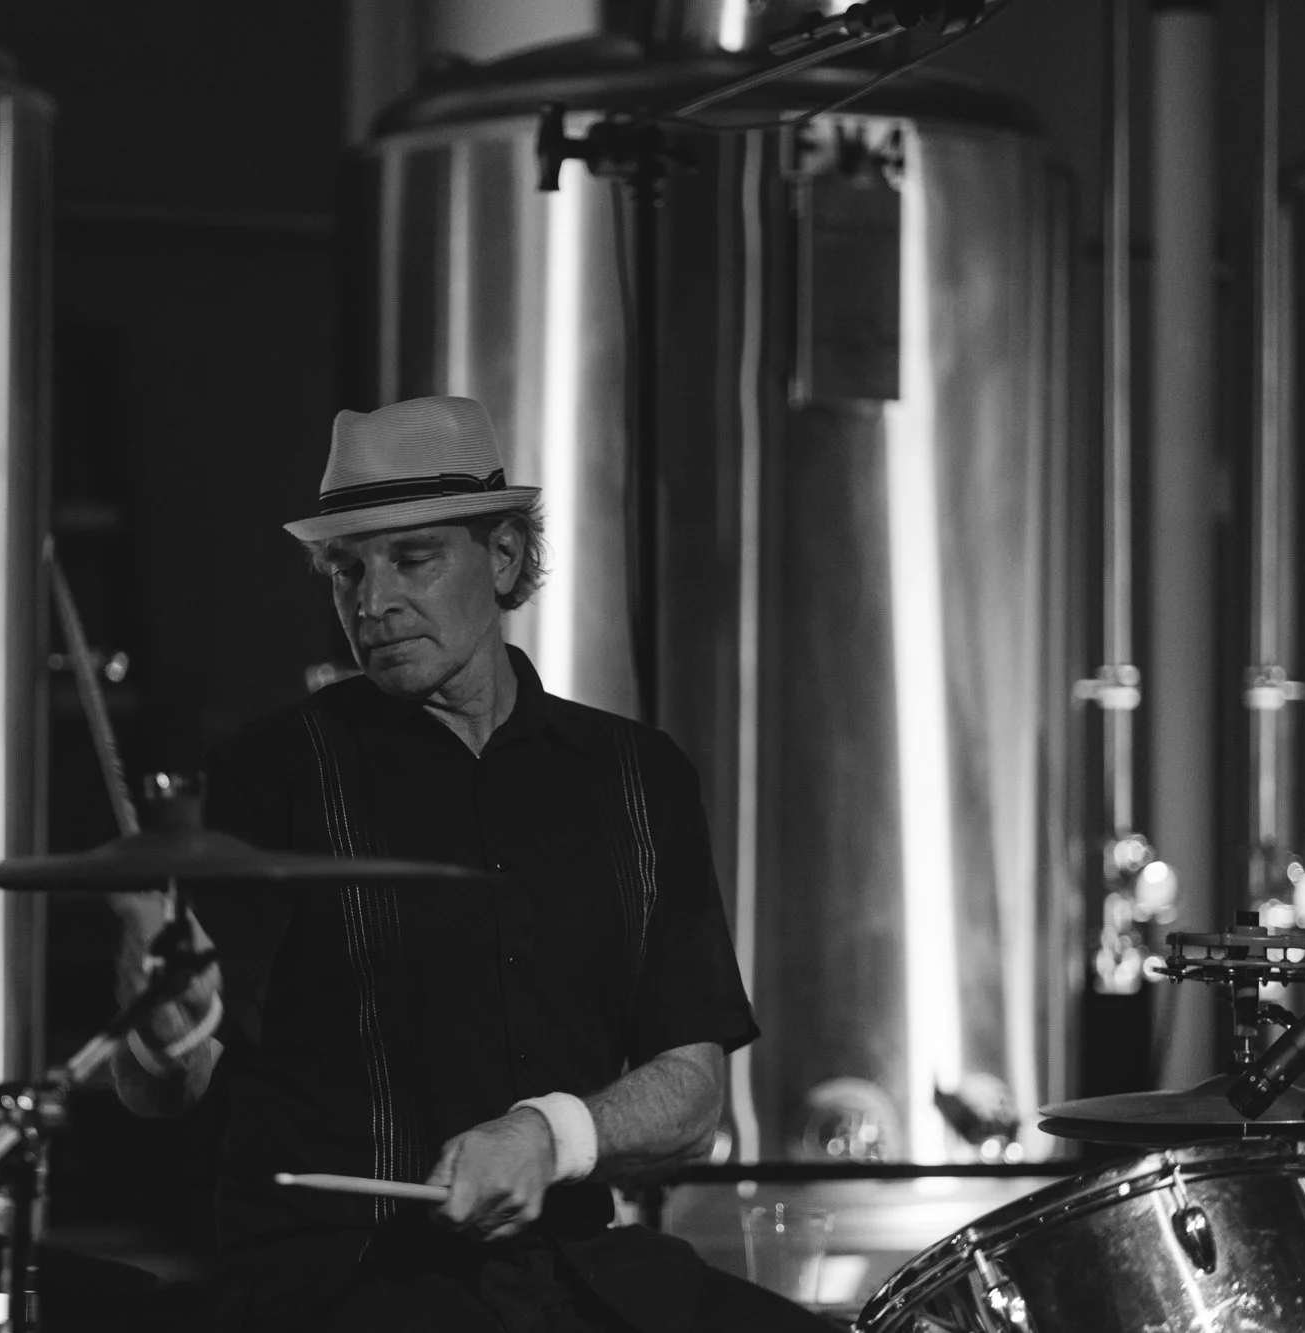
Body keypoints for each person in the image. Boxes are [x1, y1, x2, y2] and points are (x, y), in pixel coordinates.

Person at [112, 397, 841, 1332]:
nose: (371, 603)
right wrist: (163, 1030)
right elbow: (166, 1087)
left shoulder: (637, 776)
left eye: (412, 559)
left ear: (502, 556)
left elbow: (693, 1094)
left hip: (582, 1272)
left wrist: (549, 1134)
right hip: (352, 1286)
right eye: (347, 570)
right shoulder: (273, 779)